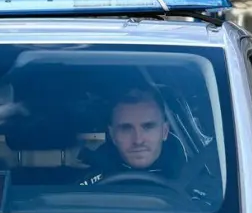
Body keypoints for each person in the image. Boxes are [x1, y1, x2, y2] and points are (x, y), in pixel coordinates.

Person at [79, 86, 217, 202]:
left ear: (164, 131)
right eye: (126, 128)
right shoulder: (86, 182)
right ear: (112, 135)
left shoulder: (196, 185)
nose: (138, 140)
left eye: (148, 126)